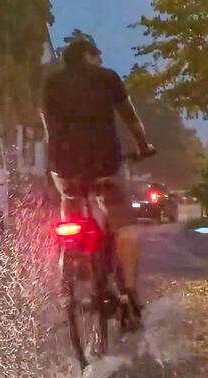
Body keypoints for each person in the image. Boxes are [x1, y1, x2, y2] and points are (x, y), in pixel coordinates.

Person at [42, 39, 154, 307]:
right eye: (97, 55)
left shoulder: (52, 83)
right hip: (105, 163)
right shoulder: (107, 78)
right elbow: (129, 116)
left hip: (64, 165)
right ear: (89, 56)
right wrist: (143, 145)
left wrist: (57, 156)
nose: (100, 61)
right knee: (123, 222)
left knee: (70, 203)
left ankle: (72, 264)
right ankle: (128, 291)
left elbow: (49, 126)